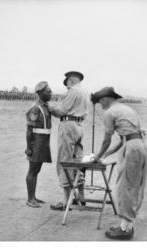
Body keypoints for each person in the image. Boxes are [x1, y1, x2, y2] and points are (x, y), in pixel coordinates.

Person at [91, 87, 147, 240]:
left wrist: (97, 156)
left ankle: (125, 229)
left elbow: (106, 140)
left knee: (126, 186)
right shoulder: (126, 109)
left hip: (133, 148)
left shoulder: (109, 112)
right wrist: (107, 154)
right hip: (139, 145)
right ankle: (127, 224)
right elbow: (126, 138)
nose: (99, 104)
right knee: (134, 185)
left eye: (99, 101)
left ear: (105, 98)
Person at [49, 71, 90, 211]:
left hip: (68, 125)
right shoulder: (85, 92)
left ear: (70, 81)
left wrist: (49, 108)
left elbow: (61, 110)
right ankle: (81, 195)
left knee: (64, 160)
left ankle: (66, 200)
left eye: (67, 84)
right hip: (80, 126)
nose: (67, 87)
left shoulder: (73, 91)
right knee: (78, 160)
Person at [25, 81, 52, 208]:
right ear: (40, 93)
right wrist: (29, 147)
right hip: (36, 143)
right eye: (48, 91)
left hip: (43, 143)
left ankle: (33, 197)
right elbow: (29, 129)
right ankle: (30, 199)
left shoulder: (46, 106)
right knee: (32, 170)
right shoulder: (36, 108)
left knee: (36, 170)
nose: (51, 93)